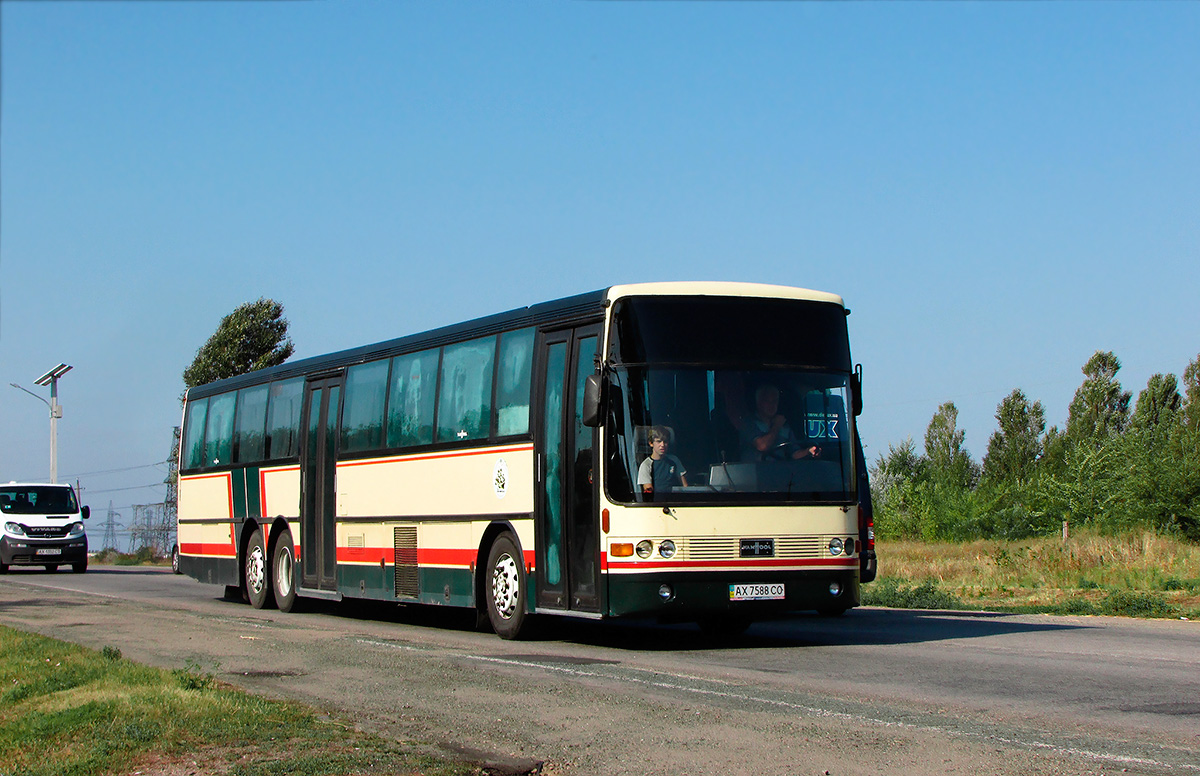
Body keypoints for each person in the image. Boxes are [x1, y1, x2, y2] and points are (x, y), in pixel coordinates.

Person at [744, 384, 820, 461]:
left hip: (780, 470)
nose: (772, 405)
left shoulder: (785, 427)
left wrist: (808, 451)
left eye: (774, 401)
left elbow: (794, 453)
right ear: (759, 403)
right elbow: (762, 446)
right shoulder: (748, 423)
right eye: (767, 401)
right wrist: (776, 426)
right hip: (753, 471)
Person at [637, 425, 688, 497]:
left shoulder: (674, 460)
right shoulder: (646, 465)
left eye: (665, 442)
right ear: (651, 443)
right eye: (659, 441)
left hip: (676, 501)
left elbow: (685, 486)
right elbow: (648, 491)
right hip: (657, 503)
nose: (662, 445)